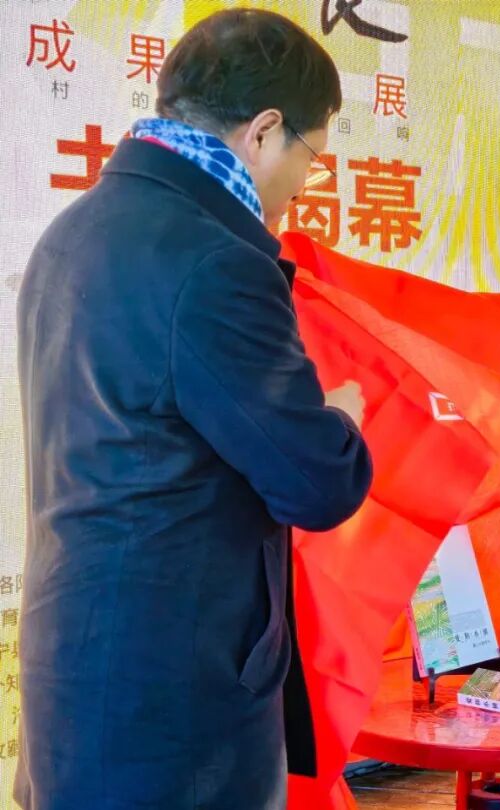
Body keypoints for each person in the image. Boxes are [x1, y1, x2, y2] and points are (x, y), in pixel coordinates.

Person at [15, 9, 372, 809]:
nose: (305, 182)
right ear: (265, 131)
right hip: (172, 706)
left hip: (74, 672)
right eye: (313, 156)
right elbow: (316, 484)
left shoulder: (73, 232)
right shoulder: (216, 262)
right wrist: (340, 417)